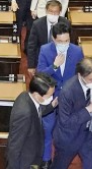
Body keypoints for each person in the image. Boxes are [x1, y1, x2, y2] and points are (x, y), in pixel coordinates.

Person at [37, 22, 83, 167]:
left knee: (66, 132)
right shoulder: (45, 50)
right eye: (60, 41)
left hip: (69, 99)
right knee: (48, 129)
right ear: (53, 39)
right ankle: (46, 159)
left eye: (67, 41)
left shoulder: (77, 51)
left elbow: (81, 75)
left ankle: (60, 159)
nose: (64, 44)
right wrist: (54, 66)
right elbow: (39, 76)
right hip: (50, 97)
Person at [52, 57, 92, 169]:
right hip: (69, 138)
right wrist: (88, 110)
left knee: (91, 165)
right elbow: (65, 122)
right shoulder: (67, 92)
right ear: (80, 75)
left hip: (89, 134)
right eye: (91, 80)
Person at [5, 72, 56, 169]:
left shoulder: (27, 96)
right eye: (49, 95)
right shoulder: (24, 113)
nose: (51, 98)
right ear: (37, 94)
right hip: (25, 163)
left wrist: (52, 105)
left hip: (33, 158)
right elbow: (15, 146)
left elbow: (37, 112)